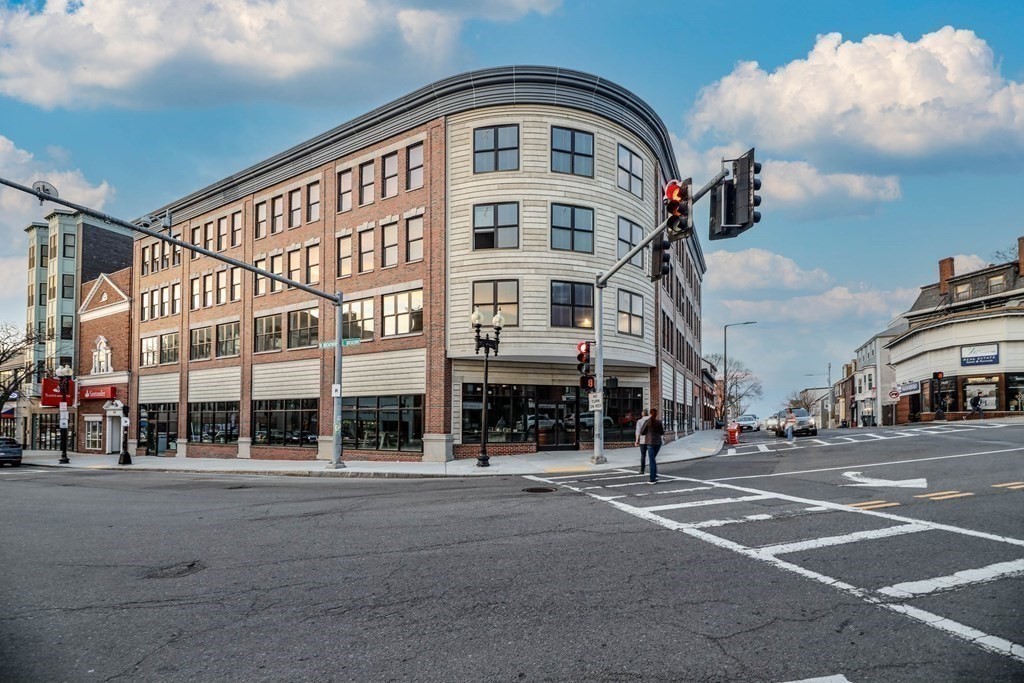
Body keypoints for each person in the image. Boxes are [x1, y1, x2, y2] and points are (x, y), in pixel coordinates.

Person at [641, 408, 665, 483]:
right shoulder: (659, 422)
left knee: (652, 460)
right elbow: (662, 432)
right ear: (656, 414)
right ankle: (655, 475)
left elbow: (642, 432)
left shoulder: (647, 421)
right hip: (658, 442)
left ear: (650, 413)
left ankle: (652, 479)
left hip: (650, 442)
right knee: (653, 459)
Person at [634, 409, 650, 475]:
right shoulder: (651, 420)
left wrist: (636, 441)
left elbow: (637, 431)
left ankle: (642, 470)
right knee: (651, 455)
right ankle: (652, 469)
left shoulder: (639, 421)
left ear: (642, 414)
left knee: (643, 455)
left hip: (643, 441)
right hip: (651, 440)